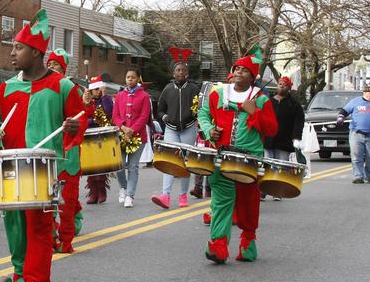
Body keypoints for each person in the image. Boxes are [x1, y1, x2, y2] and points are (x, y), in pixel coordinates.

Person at [0, 8, 84, 282]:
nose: (12, 53)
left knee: (39, 226)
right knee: (14, 224)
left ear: (37, 52)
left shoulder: (62, 87)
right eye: (13, 47)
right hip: (9, 166)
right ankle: (20, 273)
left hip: (43, 169)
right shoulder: (6, 88)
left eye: (18, 47)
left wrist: (76, 127)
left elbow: (78, 121)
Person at [198, 48, 277, 263]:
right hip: (220, 156)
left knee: (248, 202)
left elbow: (271, 129)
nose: (239, 72)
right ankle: (218, 245)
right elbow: (203, 114)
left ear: (252, 77)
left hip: (249, 159)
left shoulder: (260, 99)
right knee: (221, 201)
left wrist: (255, 112)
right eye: (237, 69)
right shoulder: (218, 93)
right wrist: (208, 130)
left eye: (244, 70)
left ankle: (248, 242)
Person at [46, 48, 83, 250]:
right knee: (47, 201)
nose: (51, 67)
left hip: (68, 153)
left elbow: (81, 119)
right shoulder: (40, 89)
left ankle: (65, 239)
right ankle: (50, 236)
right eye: (49, 64)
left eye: (56, 64)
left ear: (64, 68)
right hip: (48, 151)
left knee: (66, 201)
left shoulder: (71, 89)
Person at [152, 63, 201, 209]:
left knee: (185, 162)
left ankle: (183, 195)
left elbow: (200, 107)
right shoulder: (167, 89)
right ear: (173, 73)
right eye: (178, 70)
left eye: (183, 70)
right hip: (171, 129)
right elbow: (160, 110)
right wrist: (165, 118)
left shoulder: (194, 89)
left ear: (187, 73)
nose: (180, 72)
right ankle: (165, 195)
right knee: (169, 161)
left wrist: (195, 115)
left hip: (188, 128)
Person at [262, 76, 305, 201]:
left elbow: (299, 122)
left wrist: (296, 137)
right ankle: (264, 190)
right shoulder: (269, 102)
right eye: (280, 84)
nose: (281, 86)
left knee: (282, 166)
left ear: (289, 87)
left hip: (284, 140)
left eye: (284, 84)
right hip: (269, 139)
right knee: (268, 164)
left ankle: (277, 191)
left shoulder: (294, 104)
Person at [113, 68, 151, 208]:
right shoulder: (119, 96)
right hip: (121, 135)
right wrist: (123, 128)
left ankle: (130, 195)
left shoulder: (144, 96)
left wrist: (132, 130)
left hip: (138, 136)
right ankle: (123, 187)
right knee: (120, 164)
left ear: (138, 79)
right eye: (128, 77)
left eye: (133, 77)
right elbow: (115, 115)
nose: (130, 79)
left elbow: (144, 116)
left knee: (133, 166)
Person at [83, 75, 115, 204]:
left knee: (101, 168)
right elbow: (84, 119)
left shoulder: (105, 100)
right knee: (90, 167)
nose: (96, 91)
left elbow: (108, 113)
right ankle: (93, 192)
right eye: (94, 89)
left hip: (102, 137)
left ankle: (102, 191)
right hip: (89, 137)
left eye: (98, 89)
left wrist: (104, 96)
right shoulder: (88, 102)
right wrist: (93, 120)